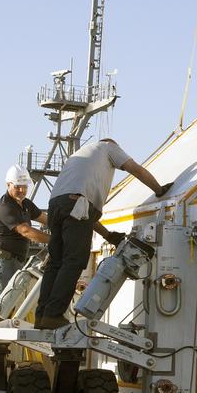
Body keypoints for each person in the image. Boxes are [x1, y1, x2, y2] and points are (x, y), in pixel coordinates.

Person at [35, 139, 169, 329]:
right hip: (76, 203)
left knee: (56, 262)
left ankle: (42, 317)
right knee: (74, 260)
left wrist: (107, 235)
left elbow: (80, 210)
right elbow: (136, 169)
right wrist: (159, 190)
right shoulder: (109, 148)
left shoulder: (79, 157)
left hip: (56, 205)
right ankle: (54, 314)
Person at [0, 164, 48, 327]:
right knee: (0, 305)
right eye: (18, 186)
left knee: (8, 304)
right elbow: (25, 231)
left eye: (24, 186)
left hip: (15, 261)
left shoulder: (26, 204)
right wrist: (55, 240)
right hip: (3, 261)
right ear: (8, 185)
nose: (21, 190)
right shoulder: (5, 206)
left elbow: (44, 218)